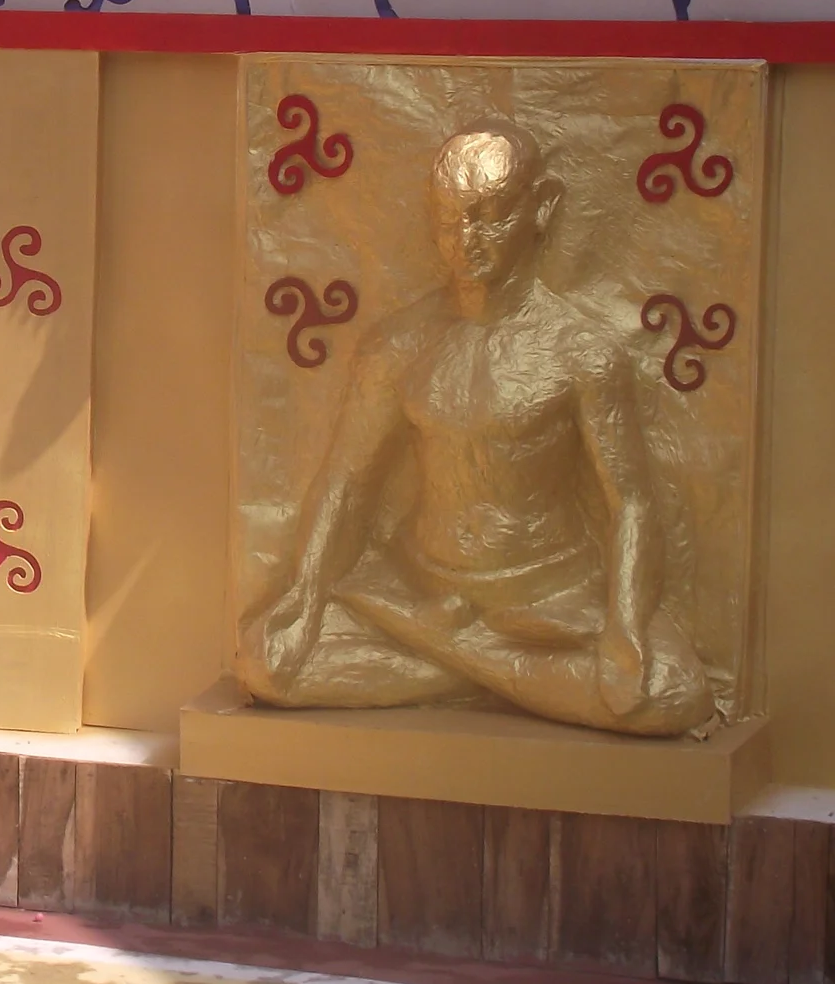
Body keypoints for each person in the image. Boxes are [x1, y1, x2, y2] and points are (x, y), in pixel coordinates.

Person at [238, 117, 714, 736]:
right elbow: (347, 484)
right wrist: (304, 596)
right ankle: (497, 674)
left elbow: (630, 504)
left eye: (491, 215)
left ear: (542, 207)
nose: (469, 240)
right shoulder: (399, 346)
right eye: (450, 218)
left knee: (672, 691)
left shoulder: (582, 353)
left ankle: (467, 661)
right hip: (418, 592)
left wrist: (624, 624)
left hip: (549, 603)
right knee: (265, 661)